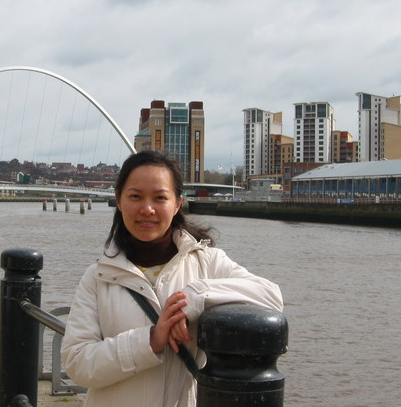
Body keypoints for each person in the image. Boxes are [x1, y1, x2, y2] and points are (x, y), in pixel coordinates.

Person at [61, 150, 283, 406]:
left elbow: (271, 296)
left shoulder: (207, 262)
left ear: (177, 203)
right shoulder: (98, 277)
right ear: (118, 201)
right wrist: (151, 340)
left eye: (159, 198)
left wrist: (197, 296)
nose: (147, 208)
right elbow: (77, 363)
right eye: (135, 196)